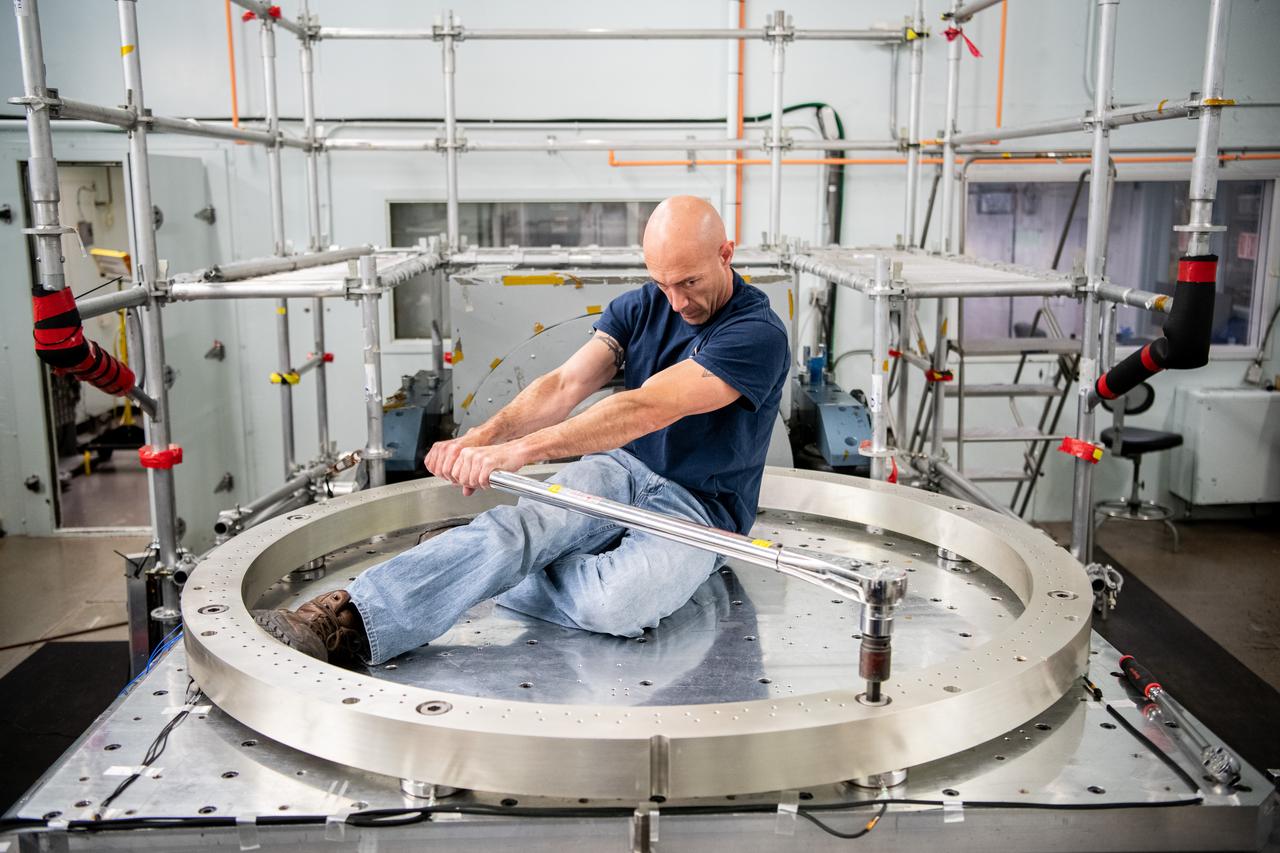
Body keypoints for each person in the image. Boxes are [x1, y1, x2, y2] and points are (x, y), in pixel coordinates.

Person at [253, 196, 791, 666]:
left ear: (727, 253)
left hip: (701, 509)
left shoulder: (756, 334)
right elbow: (563, 384)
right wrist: (482, 438)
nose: (677, 302)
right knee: (517, 533)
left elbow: (646, 407)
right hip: (625, 467)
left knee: (615, 605)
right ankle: (347, 620)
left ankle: (474, 564)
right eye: (663, 283)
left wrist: (521, 452)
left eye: (690, 282)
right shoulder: (641, 306)